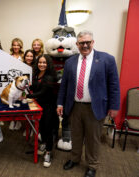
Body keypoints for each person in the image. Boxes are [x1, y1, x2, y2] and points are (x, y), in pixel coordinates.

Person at [57, 30, 120, 177]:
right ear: (77, 44)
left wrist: (114, 106)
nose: (85, 45)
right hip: (74, 106)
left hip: (95, 107)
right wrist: (60, 103)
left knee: (93, 138)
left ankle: (92, 165)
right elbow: (64, 85)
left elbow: (114, 85)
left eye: (88, 42)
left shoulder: (107, 59)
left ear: (92, 42)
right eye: (81, 43)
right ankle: (75, 159)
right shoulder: (70, 62)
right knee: (76, 136)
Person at [26, 54, 58, 168]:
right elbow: (35, 88)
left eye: (44, 63)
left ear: (48, 64)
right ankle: (43, 144)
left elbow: (42, 92)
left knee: (48, 129)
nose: (42, 64)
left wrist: (29, 95)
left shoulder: (49, 77)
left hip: (48, 107)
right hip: (38, 106)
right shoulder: (36, 74)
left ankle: (48, 153)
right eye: (40, 62)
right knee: (41, 128)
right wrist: (27, 87)